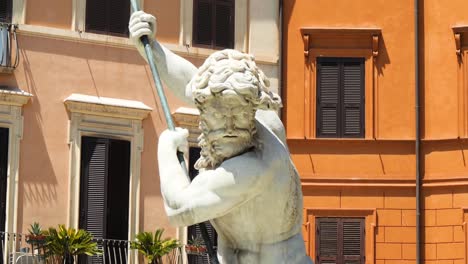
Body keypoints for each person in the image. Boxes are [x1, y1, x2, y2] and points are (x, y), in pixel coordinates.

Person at [129, 11, 312, 264]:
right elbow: (193, 84)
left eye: (238, 115)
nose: (229, 125)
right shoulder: (259, 119)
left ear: (251, 110)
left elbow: (179, 208)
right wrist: (152, 49)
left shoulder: (254, 167)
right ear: (204, 111)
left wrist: (166, 148)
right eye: (218, 114)